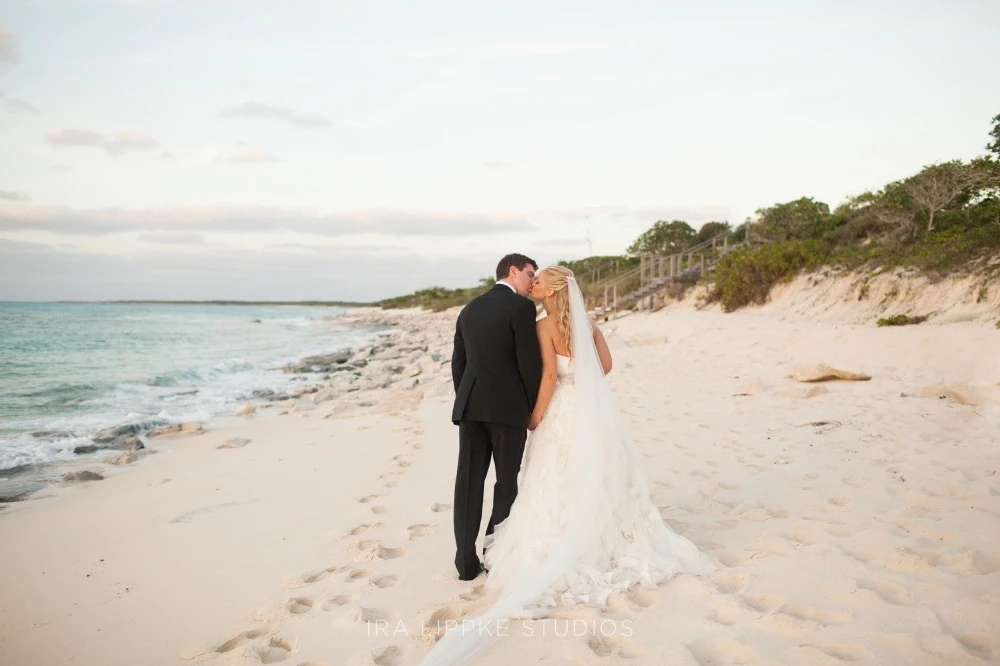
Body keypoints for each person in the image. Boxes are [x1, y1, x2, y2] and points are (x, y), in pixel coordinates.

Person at [424, 265, 714, 665]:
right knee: (583, 473)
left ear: (551, 290)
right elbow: (605, 366)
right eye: (532, 276)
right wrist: (573, 385)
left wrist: (535, 416)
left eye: (539, 280)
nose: (534, 284)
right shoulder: (587, 323)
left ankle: (470, 558)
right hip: (586, 411)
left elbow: (541, 376)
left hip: (526, 407)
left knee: (531, 478)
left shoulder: (525, 322)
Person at [450, 253, 542, 582]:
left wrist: (467, 398)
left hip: (471, 407)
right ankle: (493, 554)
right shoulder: (521, 308)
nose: (533, 281)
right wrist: (531, 407)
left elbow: (458, 363)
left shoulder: (469, 308)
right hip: (508, 410)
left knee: (469, 483)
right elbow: (529, 365)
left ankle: (464, 562)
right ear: (513, 271)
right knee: (506, 483)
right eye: (531, 273)